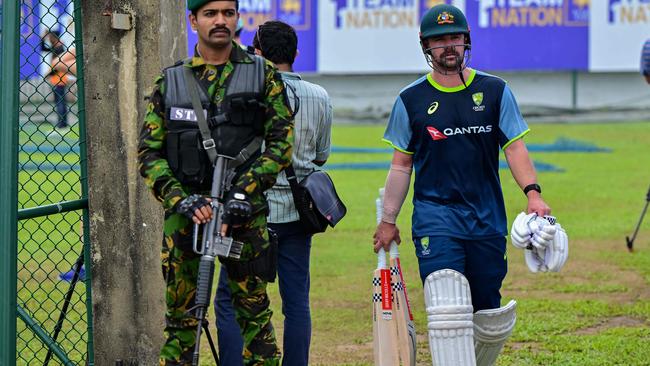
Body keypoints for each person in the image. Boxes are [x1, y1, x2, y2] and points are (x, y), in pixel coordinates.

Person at [372, 4, 552, 365]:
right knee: (446, 305)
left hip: (487, 220)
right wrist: (389, 219)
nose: (448, 47)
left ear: (466, 40)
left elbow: (514, 147)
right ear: (425, 46)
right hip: (435, 218)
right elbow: (401, 165)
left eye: (454, 38)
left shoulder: (495, 90)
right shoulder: (410, 100)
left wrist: (533, 194)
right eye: (439, 41)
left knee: (486, 313)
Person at [137, 0, 294, 364]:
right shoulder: (171, 80)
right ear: (194, 21)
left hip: (244, 216)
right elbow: (148, 154)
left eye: (227, 13)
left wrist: (245, 192)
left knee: (255, 319)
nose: (220, 21)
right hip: (187, 220)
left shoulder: (261, 74)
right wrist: (181, 200)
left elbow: (282, 143)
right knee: (181, 322)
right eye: (210, 14)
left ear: (237, 18)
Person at [215, 20, 332, 366]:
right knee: (296, 302)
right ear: (295, 54)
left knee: (231, 299)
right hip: (298, 213)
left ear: (257, 52)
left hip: (247, 212)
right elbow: (321, 155)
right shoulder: (320, 96)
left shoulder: (242, 93)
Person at [41, 30, 70, 132]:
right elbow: (43, 48)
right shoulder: (55, 47)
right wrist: (42, 38)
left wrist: (48, 74)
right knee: (60, 102)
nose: (48, 39)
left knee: (60, 103)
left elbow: (58, 66)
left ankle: (62, 125)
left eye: (49, 37)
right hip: (56, 79)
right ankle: (62, 124)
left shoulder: (59, 48)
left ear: (54, 37)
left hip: (59, 79)